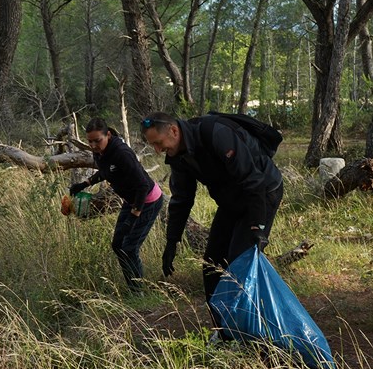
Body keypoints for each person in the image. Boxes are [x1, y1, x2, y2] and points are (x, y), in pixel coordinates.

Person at [140, 112, 283, 319]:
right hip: (231, 200)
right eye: (153, 145)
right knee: (212, 264)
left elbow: (252, 180)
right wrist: (172, 241)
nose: (158, 150)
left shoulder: (216, 133)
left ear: (173, 130)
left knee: (239, 264)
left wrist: (257, 226)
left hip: (262, 192)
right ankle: (224, 331)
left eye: (159, 143)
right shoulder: (178, 156)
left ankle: (253, 333)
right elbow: (182, 199)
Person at [70, 118, 164, 292]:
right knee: (118, 245)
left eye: (97, 140)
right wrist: (84, 184)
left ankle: (138, 293)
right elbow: (106, 170)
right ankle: (134, 288)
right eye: (89, 141)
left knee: (129, 247)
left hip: (148, 201)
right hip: (131, 200)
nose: (93, 145)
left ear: (108, 135)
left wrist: (133, 216)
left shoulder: (122, 153)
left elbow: (143, 185)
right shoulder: (100, 151)